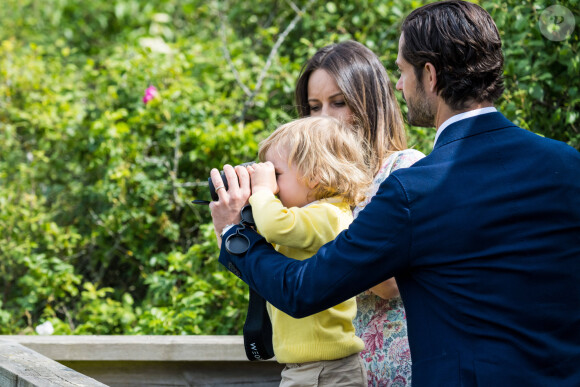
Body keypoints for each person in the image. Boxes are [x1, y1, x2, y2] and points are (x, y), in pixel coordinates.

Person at [211, 1, 580, 386]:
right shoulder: (567, 164)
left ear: (430, 76)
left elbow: (304, 290)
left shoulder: (415, 189)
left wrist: (238, 236)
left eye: (402, 72)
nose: (399, 86)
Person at [294, 40, 424, 385]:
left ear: (371, 103)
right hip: (332, 372)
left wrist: (316, 222)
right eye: (313, 106)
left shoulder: (403, 171)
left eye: (338, 103)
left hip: (394, 371)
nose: (323, 119)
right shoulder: (315, 191)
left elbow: (392, 285)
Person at [244, 116, 370, 386]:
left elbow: (275, 225)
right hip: (308, 367)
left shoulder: (330, 216)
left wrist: (262, 191)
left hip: (328, 370)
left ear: (314, 177)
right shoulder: (306, 221)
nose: (272, 186)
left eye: (276, 174)